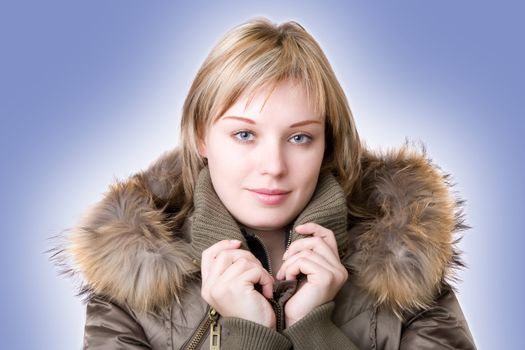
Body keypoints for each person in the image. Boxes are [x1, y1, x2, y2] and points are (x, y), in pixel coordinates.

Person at [52, 17, 477, 349]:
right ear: (202, 136)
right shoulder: (131, 286)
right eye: (244, 135)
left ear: (326, 143)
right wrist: (246, 336)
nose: (273, 165)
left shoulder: (407, 271)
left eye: (299, 137)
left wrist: (315, 333)